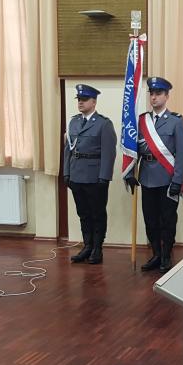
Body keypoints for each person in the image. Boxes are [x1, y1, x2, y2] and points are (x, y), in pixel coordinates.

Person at [125, 76, 183, 272]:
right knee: (150, 220)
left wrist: (177, 180)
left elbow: (182, 153)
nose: (154, 97)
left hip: (167, 178)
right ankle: (156, 254)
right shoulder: (141, 120)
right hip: (147, 177)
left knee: (167, 220)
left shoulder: (176, 121)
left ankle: (166, 255)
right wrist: (129, 172)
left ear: (166, 96)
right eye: (151, 93)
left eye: (158, 93)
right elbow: (132, 149)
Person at [63, 84, 117, 264]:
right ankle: (87, 246)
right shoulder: (74, 122)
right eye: (79, 99)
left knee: (97, 213)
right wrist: (66, 172)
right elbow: (68, 150)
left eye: (84, 100)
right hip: (76, 175)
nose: (80, 103)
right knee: (83, 213)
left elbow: (109, 153)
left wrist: (104, 177)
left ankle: (97, 249)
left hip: (95, 177)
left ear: (94, 102)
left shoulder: (104, 124)